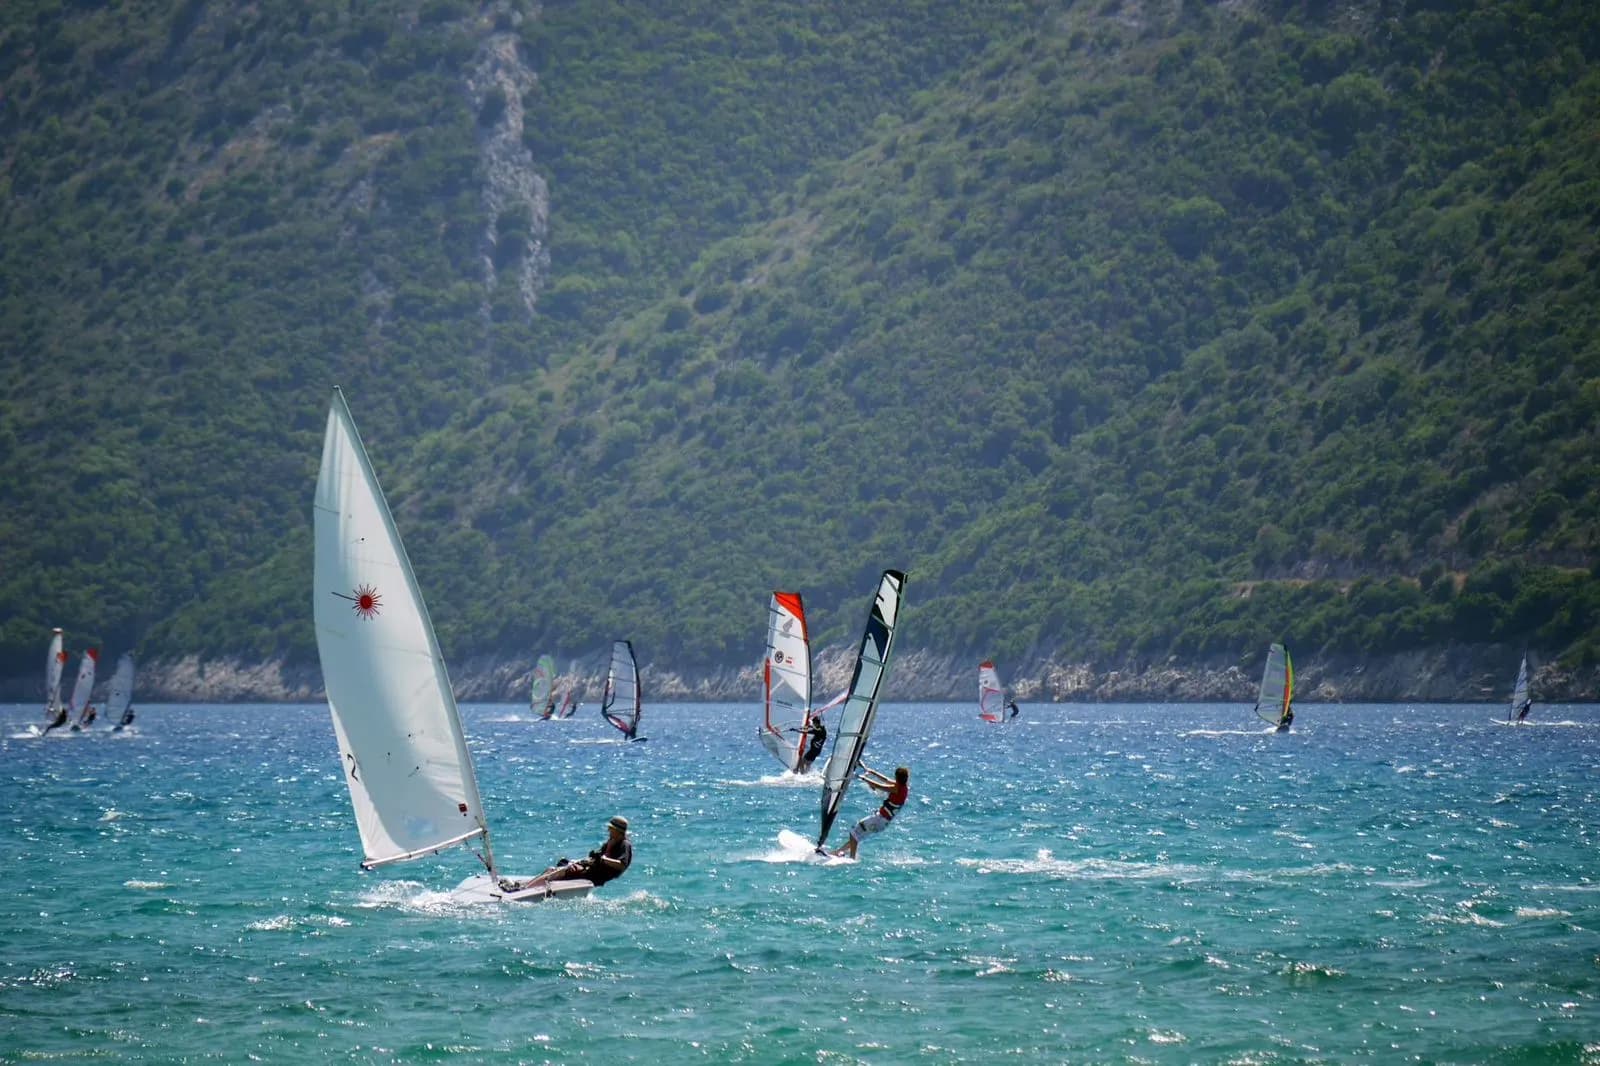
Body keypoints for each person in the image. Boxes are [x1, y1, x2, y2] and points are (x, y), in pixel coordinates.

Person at [501, 815, 632, 893]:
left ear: (617, 831)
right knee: (552, 869)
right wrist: (576, 861)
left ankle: (523, 890)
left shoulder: (624, 845)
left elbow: (622, 865)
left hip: (595, 876)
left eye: (611, 829)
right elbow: (594, 858)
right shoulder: (611, 841)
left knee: (559, 872)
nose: (608, 830)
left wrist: (605, 857)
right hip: (589, 869)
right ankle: (525, 886)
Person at [831, 765, 910, 860]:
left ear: (897, 778)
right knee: (857, 835)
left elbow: (879, 786)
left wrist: (863, 778)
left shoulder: (896, 788)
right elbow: (885, 779)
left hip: (879, 819)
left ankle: (851, 859)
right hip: (883, 822)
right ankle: (839, 852)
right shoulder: (903, 787)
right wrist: (873, 772)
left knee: (854, 833)